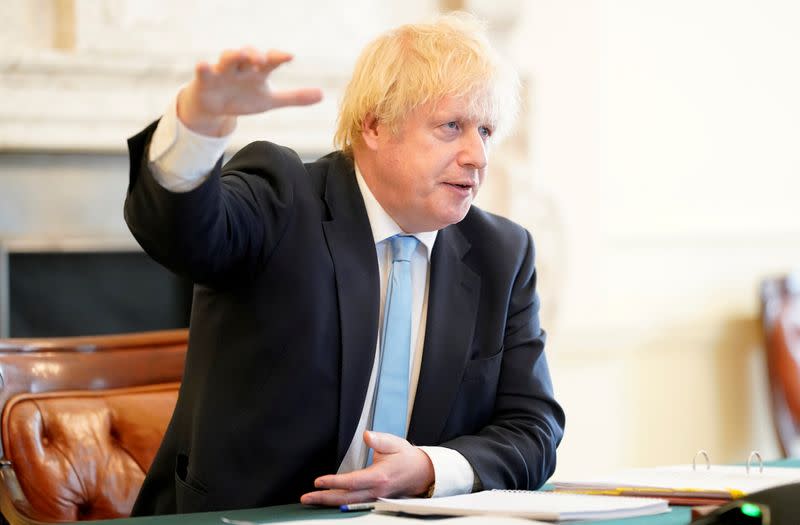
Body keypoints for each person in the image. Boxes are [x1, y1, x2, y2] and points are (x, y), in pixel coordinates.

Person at [125, 12, 565, 516]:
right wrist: (196, 128)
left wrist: (430, 468)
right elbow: (179, 234)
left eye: (485, 131)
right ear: (374, 126)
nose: (477, 156)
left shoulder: (501, 253)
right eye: (451, 127)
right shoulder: (284, 198)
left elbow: (533, 428)